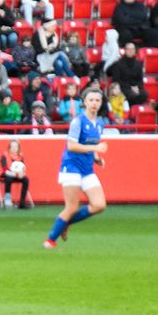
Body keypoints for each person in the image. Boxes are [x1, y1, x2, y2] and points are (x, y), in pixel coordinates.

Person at [44, 88, 109, 249]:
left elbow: (91, 145)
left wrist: (96, 158)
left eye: (97, 100)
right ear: (84, 102)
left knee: (99, 205)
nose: (94, 103)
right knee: (72, 207)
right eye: (91, 100)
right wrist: (95, 149)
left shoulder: (100, 123)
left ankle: (66, 223)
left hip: (87, 169)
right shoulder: (78, 121)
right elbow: (71, 146)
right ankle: (50, 240)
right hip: (71, 167)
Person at [0, 139, 30, 209]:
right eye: (12, 147)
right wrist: (15, 174)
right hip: (4, 174)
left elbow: (22, 167)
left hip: (16, 174)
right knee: (9, 178)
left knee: (26, 180)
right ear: (9, 147)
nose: (14, 148)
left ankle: (22, 202)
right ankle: (7, 199)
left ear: (18, 148)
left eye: (16, 147)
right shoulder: (4, 155)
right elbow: (4, 169)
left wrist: (22, 173)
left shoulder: (20, 156)